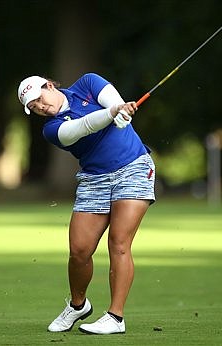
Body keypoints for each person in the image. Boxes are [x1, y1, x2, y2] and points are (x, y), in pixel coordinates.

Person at [17, 73, 155, 335]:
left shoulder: (87, 84)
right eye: (33, 108)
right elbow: (83, 127)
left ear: (49, 85)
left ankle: (115, 317)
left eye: (39, 99)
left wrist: (121, 109)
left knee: (119, 242)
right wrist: (113, 112)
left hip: (134, 167)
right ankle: (78, 305)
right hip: (94, 178)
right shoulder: (51, 129)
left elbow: (112, 100)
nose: (40, 107)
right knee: (79, 251)